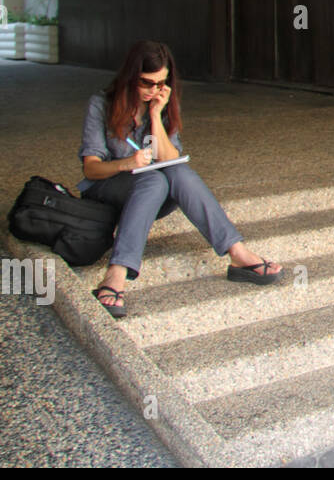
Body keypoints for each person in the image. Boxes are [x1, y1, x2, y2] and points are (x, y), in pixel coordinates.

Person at [80, 40, 282, 318]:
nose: (153, 90)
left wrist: (154, 115)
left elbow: (169, 157)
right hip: (108, 187)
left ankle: (237, 252)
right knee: (155, 181)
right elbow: (91, 169)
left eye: (160, 83)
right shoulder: (101, 104)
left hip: (151, 194)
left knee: (174, 172)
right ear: (129, 78)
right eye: (146, 83)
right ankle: (117, 273)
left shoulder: (161, 103)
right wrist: (126, 163)